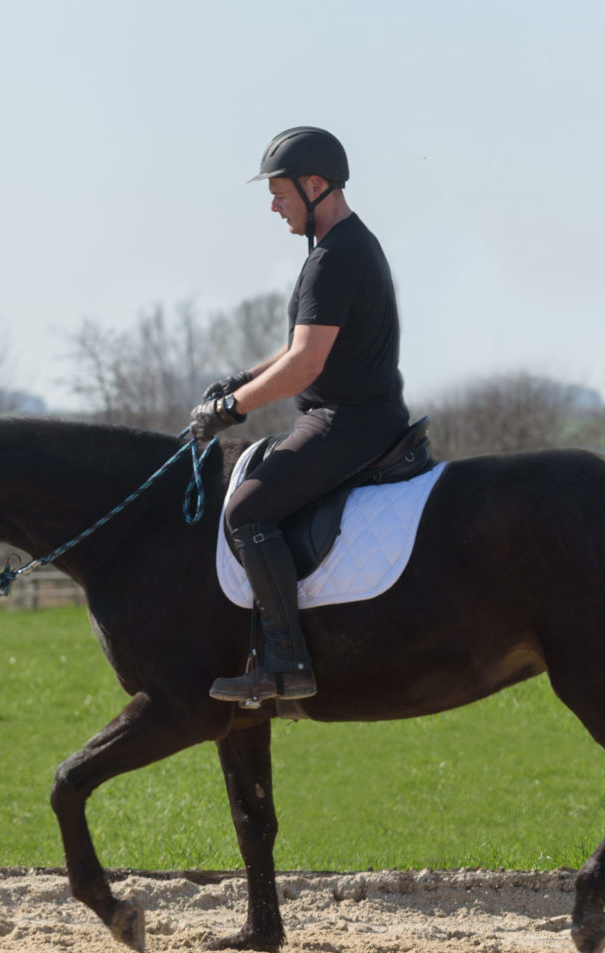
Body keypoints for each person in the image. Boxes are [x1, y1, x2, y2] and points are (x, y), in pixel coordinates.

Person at [188, 126, 413, 705]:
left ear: (316, 186)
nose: (273, 205)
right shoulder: (344, 247)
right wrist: (240, 381)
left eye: (281, 193)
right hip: (360, 413)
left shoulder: (334, 258)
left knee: (245, 510)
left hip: (349, 422)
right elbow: (299, 348)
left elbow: (306, 366)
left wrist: (234, 409)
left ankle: (286, 664)